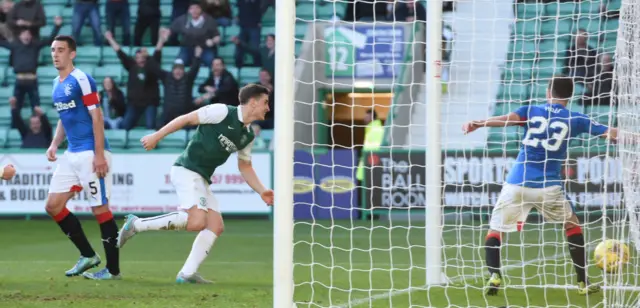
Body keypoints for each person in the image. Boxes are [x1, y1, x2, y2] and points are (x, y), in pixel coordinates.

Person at [462, 75, 617, 296]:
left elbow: (506, 119)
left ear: (548, 92)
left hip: (517, 182)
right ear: (570, 96)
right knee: (571, 225)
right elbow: (610, 133)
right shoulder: (576, 118)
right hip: (548, 187)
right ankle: (583, 282)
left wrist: (478, 123)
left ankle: (494, 275)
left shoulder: (531, 110)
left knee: (495, 230)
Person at [116, 84, 274, 283]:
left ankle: (187, 274)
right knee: (197, 221)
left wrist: (262, 191)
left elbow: (245, 167)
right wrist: (157, 136)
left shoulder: (248, 136)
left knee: (215, 226)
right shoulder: (222, 111)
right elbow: (186, 119)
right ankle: (136, 224)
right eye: (265, 102)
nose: (268, 108)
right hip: (186, 170)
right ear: (252, 102)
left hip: (202, 179)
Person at [46, 35, 121, 280]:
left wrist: (99, 155)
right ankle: (88, 255)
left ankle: (112, 270)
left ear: (72, 54)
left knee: (100, 209)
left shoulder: (82, 79)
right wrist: (55, 143)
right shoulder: (56, 83)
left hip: (91, 151)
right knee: (53, 206)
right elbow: (63, 118)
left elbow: (97, 117)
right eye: (53, 50)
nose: (56, 54)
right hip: (71, 153)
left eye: (61, 50)